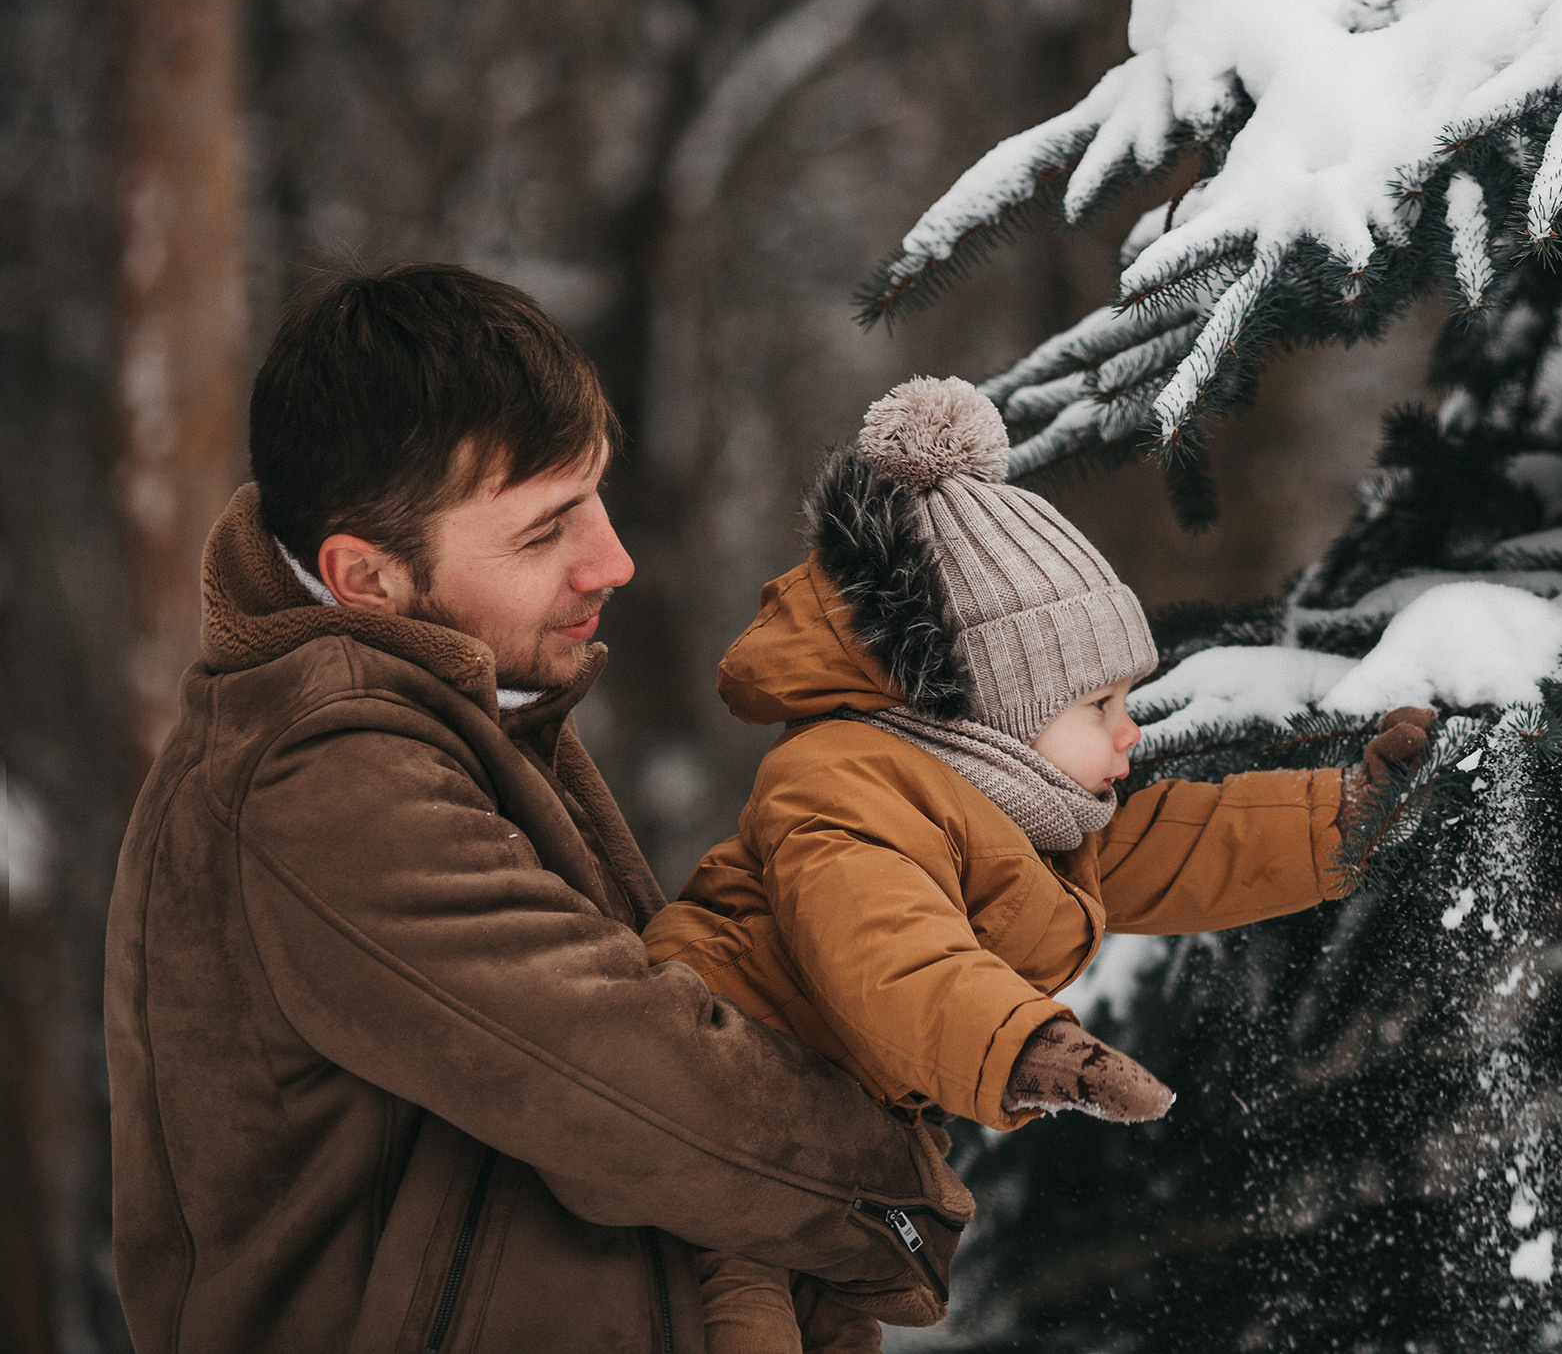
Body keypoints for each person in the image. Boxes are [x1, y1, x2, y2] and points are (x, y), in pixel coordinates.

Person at [103, 265, 970, 1354]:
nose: (612, 558)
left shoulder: (450, 710)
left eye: (596, 493)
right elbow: (638, 1083)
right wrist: (902, 1192)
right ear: (365, 577)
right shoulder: (319, 773)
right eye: (543, 529)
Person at [643, 375, 1434, 1353]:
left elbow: (1184, 845)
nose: (1129, 729)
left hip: (818, 1144)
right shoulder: (841, 781)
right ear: (992, 712)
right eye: (1097, 704)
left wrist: (1345, 818)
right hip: (714, 1108)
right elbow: (886, 949)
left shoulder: (1022, 815)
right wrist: (1027, 1047)